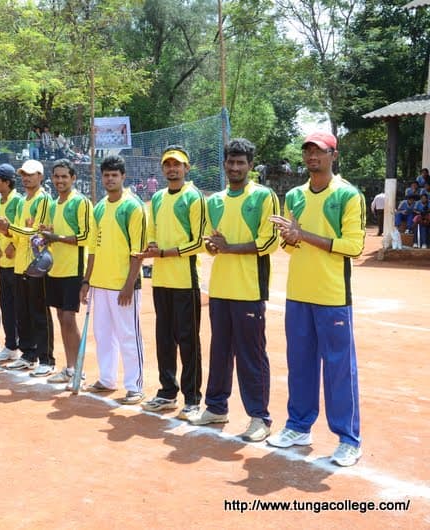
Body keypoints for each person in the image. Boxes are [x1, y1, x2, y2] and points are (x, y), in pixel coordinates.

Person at [267, 131, 365, 467]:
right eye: (308, 151)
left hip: (332, 296)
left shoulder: (348, 195)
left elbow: (354, 247)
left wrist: (303, 235)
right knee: (300, 365)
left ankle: (348, 439)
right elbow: (288, 245)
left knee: (339, 369)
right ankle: (298, 426)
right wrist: (291, 238)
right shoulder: (294, 196)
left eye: (319, 151)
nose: (312, 156)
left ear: (333, 155)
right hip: (298, 294)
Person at [188, 138, 279, 443]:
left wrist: (229, 248)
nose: (235, 167)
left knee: (251, 355)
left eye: (241, 162)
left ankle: (260, 417)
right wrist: (213, 246)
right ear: (224, 164)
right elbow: (207, 241)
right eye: (231, 161)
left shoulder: (264, 196)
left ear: (250, 166)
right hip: (220, 288)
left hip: (249, 289)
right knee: (220, 351)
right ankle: (216, 407)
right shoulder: (214, 201)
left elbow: (269, 242)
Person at [136, 145, 206, 420]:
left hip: (185, 280)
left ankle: (192, 399)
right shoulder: (157, 198)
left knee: (188, 340)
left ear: (186, 168)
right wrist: (153, 246)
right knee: (164, 339)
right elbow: (152, 232)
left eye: (177, 164)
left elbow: (199, 242)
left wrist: (165, 253)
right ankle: (167, 392)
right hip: (162, 280)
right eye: (167, 164)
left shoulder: (194, 197)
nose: (172, 169)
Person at [79, 155, 146, 405]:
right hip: (100, 283)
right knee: (103, 334)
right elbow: (92, 249)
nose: (110, 179)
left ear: (123, 177)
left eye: (114, 175)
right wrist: (87, 281)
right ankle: (107, 379)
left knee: (128, 335)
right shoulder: (99, 208)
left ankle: (135, 386)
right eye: (106, 175)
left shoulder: (133, 207)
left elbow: (138, 252)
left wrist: (129, 285)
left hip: (123, 285)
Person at [0, 159, 54, 376]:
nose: (26, 178)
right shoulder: (23, 201)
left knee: (39, 313)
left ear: (40, 176)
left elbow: (37, 232)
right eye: (24, 174)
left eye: (31, 174)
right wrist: (5, 231)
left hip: (36, 265)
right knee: (23, 312)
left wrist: (10, 228)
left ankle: (46, 359)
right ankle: (28, 354)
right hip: (20, 266)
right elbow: (17, 233)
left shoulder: (43, 199)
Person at [39, 159, 93, 387]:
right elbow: (49, 232)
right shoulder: (53, 205)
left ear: (73, 178)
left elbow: (86, 237)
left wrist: (57, 238)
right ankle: (70, 368)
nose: (60, 180)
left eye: (64, 176)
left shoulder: (80, 202)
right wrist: (43, 236)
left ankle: (79, 371)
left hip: (73, 270)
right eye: (57, 176)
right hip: (55, 270)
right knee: (62, 318)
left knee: (69, 319)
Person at [0, 164, 24, 363]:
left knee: (19, 307)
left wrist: (14, 245)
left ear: (7, 182)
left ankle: (22, 347)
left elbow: (21, 226)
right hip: (3, 263)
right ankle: (10, 345)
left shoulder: (18, 201)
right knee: (6, 304)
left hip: (17, 264)